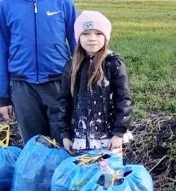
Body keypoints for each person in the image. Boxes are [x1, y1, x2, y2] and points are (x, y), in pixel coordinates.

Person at [0, 0, 77, 144]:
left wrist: (79, 86)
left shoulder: (63, 2)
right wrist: (3, 97)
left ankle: (61, 176)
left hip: (59, 83)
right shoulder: (5, 6)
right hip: (23, 86)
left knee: (64, 142)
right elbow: (1, 52)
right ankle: (35, 176)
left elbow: (77, 47)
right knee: (34, 145)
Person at [50, 11, 133, 155]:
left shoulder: (113, 64)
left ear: (106, 37)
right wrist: (65, 134)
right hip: (80, 137)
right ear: (78, 37)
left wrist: (118, 133)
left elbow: (123, 100)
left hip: (108, 138)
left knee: (109, 175)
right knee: (83, 175)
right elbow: (64, 101)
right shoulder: (72, 66)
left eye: (98, 34)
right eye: (86, 33)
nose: (92, 38)